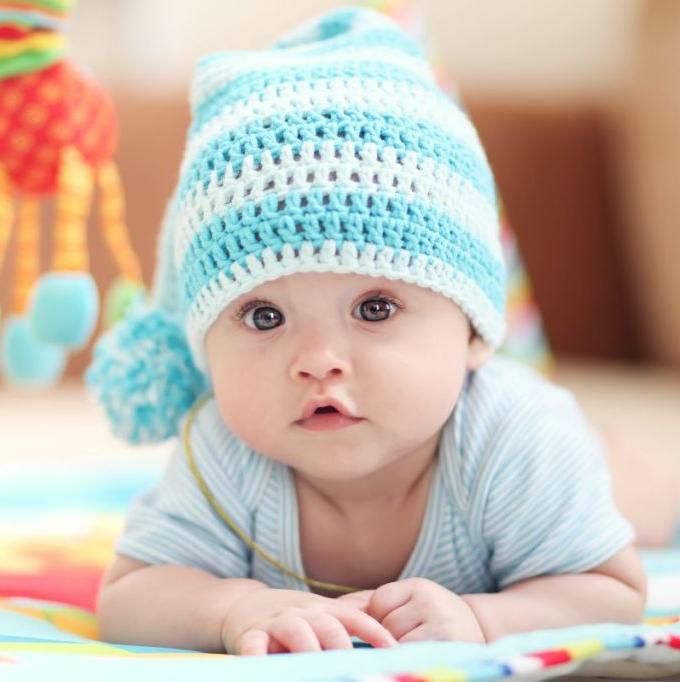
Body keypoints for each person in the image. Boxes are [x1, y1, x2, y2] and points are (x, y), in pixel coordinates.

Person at [87, 6, 650, 656]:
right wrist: (234, 607)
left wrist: (484, 620)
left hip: (567, 468)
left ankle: (626, 460)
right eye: (264, 316)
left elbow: (611, 589)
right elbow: (128, 597)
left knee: (636, 492)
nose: (318, 360)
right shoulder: (224, 452)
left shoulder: (517, 440)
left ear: (474, 331)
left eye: (375, 309)